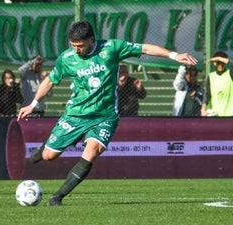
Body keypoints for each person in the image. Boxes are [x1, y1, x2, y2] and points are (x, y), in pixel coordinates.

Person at [17, 21, 197, 206]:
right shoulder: (67, 58)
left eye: (81, 46)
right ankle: (40, 152)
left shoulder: (111, 48)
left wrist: (174, 55)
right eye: (73, 45)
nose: (77, 50)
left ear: (91, 40)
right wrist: (34, 104)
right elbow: (50, 81)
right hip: (75, 114)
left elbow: (145, 48)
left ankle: (57, 197)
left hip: (105, 116)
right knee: (49, 156)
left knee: (92, 151)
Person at [201, 51, 233, 117]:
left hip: (230, 115)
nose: (220, 65)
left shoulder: (230, 73)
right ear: (214, 63)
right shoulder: (211, 76)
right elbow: (207, 95)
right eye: (218, 62)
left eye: (222, 62)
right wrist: (203, 109)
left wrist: (219, 58)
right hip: (215, 115)